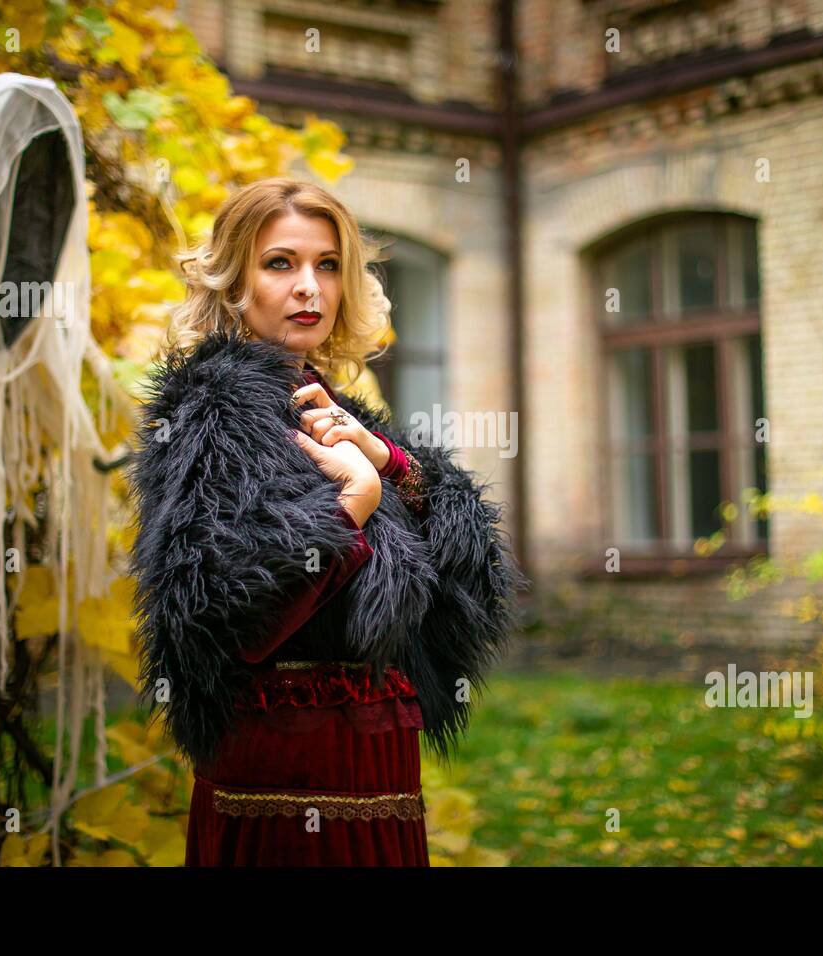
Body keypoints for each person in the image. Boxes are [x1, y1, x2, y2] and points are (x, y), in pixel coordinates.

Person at [125, 177, 526, 866]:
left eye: (328, 264)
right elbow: (214, 615)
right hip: (285, 768)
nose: (309, 286)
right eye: (280, 263)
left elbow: (462, 580)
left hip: (376, 761)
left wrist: (393, 463)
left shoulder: (336, 411)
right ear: (235, 282)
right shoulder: (214, 412)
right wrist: (352, 508)